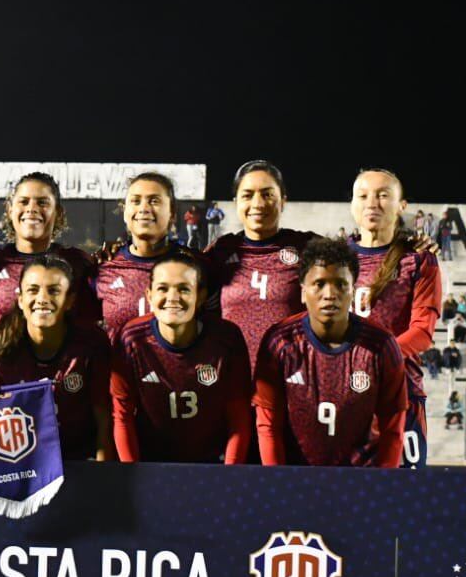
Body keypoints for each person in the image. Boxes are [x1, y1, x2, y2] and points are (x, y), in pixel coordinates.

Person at [253, 236, 407, 467]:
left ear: (353, 291)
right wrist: (277, 481)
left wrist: (382, 486)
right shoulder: (280, 342)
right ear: (303, 292)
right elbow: (268, 425)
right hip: (297, 480)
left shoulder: (381, 346)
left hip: (361, 483)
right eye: (319, 284)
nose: (329, 294)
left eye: (340, 284)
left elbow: (393, 430)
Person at [111, 252, 252, 464]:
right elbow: (122, 416)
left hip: (212, 464)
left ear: (201, 296)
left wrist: (229, 474)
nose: (173, 298)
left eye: (184, 289)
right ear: (149, 295)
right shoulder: (132, 339)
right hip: (149, 464)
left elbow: (239, 418)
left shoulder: (226, 339)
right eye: (163, 288)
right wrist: (132, 473)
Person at [0, 255, 113, 461]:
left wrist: (103, 472)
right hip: (22, 464)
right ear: (20, 299)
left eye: (54, 291)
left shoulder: (91, 344)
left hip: (79, 462)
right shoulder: (0, 347)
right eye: (33, 290)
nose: (42, 299)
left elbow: (104, 419)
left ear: (70, 301)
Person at [347, 169, 442, 469]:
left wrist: (373, 362)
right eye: (363, 196)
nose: (371, 203)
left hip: (401, 394)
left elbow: (422, 332)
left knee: (403, 499)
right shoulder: (333, 258)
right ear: (351, 204)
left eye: (383, 195)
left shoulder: (419, 259)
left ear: (402, 205)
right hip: (341, 395)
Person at [203, 160, 313, 369]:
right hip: (232, 380)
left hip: (291, 377)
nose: (258, 203)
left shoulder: (306, 248)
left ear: (283, 201)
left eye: (268, 194)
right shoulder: (220, 251)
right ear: (236, 202)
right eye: (247, 195)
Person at [0, 171, 99, 332]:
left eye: (42, 202)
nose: (32, 208)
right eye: (24, 202)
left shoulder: (78, 263)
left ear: (58, 212)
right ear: (10, 210)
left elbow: (92, 320)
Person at [95, 172, 180, 340]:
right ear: (125, 211)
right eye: (135, 201)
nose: (144, 208)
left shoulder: (196, 267)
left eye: (154, 201)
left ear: (172, 213)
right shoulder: (102, 267)